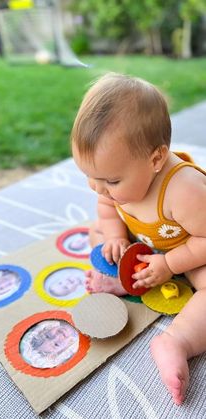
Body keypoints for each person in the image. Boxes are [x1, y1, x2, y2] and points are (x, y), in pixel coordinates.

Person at [71, 72, 206, 406]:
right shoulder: (110, 183)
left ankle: (178, 341)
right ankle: (127, 279)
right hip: (144, 243)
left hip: (189, 248)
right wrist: (116, 236)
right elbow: (106, 207)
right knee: (97, 233)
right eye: (90, 177)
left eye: (111, 181)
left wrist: (169, 263)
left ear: (156, 159)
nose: (99, 188)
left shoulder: (185, 191)